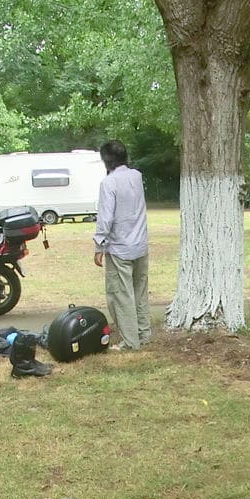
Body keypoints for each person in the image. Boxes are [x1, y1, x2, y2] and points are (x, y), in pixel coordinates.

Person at [93, 140, 151, 351]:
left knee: (120, 294)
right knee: (140, 291)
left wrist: (99, 244)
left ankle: (130, 341)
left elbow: (105, 218)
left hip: (120, 247)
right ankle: (143, 334)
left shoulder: (109, 183)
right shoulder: (136, 176)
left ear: (106, 161)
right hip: (140, 244)